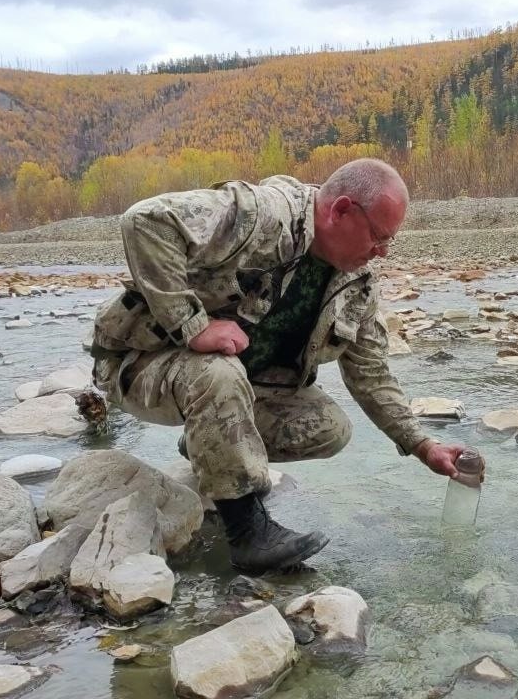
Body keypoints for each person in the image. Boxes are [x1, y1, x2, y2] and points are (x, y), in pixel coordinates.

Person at [90, 158, 479, 573]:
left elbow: (371, 374)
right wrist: (193, 325)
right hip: (140, 363)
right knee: (218, 371)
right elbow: (146, 221)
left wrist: (423, 446)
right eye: (379, 237)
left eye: (389, 242)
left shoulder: (356, 284)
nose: (381, 253)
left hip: (233, 388)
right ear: (341, 210)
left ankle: (209, 448)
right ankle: (247, 535)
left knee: (330, 427)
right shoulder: (263, 215)